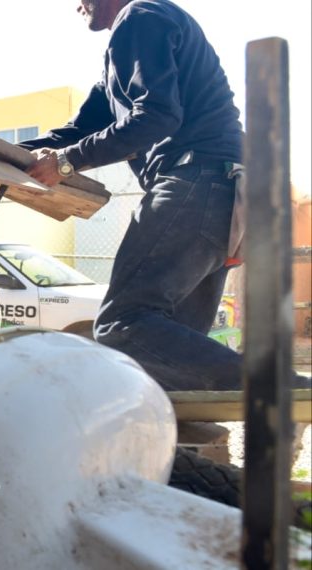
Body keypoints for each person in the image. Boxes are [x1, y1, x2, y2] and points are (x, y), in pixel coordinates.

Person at [19, 0, 308, 391]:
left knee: (123, 324)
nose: (76, 6)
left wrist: (67, 163)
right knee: (166, 358)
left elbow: (157, 116)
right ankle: (199, 430)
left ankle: (282, 392)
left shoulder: (140, 16)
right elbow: (76, 132)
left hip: (198, 183)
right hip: (228, 194)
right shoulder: (128, 49)